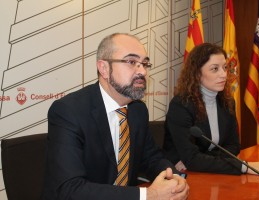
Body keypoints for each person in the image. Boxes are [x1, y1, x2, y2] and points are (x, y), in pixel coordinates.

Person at [43, 33, 189, 200]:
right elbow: (70, 189)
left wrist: (175, 178)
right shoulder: (69, 111)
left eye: (145, 63)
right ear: (104, 68)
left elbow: (151, 157)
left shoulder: (138, 110)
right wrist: (148, 195)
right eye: (131, 62)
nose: (142, 71)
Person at [163, 43, 259, 176]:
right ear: (197, 73)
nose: (223, 74)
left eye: (224, 67)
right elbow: (192, 159)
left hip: (210, 171)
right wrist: (245, 167)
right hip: (178, 174)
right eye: (215, 69)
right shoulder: (181, 105)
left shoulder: (227, 101)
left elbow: (233, 146)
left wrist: (204, 159)